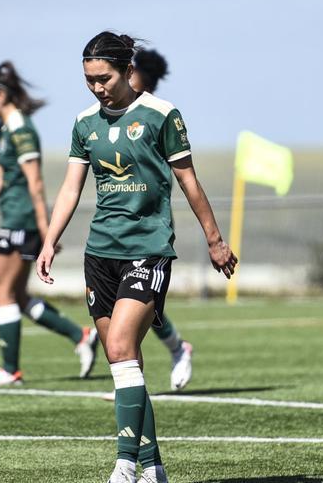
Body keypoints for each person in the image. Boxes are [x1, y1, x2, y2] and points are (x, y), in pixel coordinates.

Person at [36, 32, 237, 483]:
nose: (96, 87)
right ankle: (154, 468)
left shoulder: (162, 116)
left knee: (124, 349)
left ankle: (124, 465)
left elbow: (188, 180)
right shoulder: (85, 123)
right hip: (99, 254)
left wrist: (215, 239)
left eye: (103, 78)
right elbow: (71, 188)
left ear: (128, 71)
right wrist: (50, 241)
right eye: (88, 80)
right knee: (125, 364)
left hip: (147, 249)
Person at [0, 61, 98, 387]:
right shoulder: (4, 128)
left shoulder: (21, 129)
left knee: (3, 293)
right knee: (17, 296)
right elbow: (0, 175)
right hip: (14, 218)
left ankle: (10, 370)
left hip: (22, 221)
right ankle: (81, 336)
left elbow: (36, 183)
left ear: (1, 94)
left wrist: (47, 230)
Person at [131, 48, 194, 392]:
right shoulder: (111, 113)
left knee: (141, 305)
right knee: (131, 306)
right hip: (116, 226)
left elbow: (184, 175)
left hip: (149, 225)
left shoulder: (156, 115)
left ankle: (132, 375)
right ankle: (173, 349)